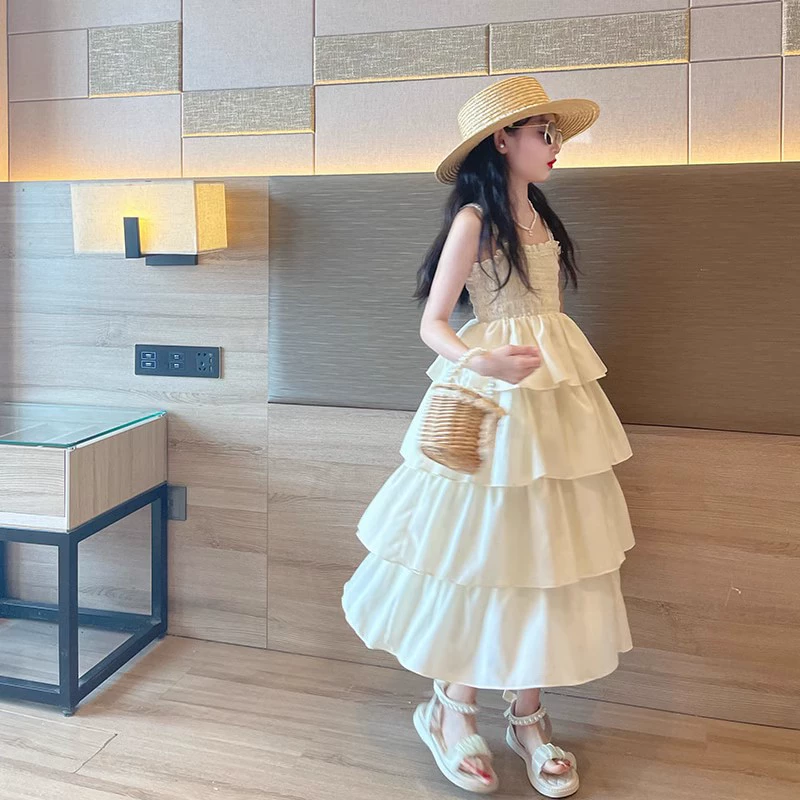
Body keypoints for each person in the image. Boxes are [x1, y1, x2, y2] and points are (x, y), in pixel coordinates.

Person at [341, 75, 636, 798]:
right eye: (542, 133)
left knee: (548, 554)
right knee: (482, 553)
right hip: (496, 404)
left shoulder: (539, 213)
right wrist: (483, 361)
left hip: (556, 407)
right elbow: (433, 323)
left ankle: (528, 717)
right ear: (502, 140)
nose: (554, 146)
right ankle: (452, 707)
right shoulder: (475, 219)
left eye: (555, 135)